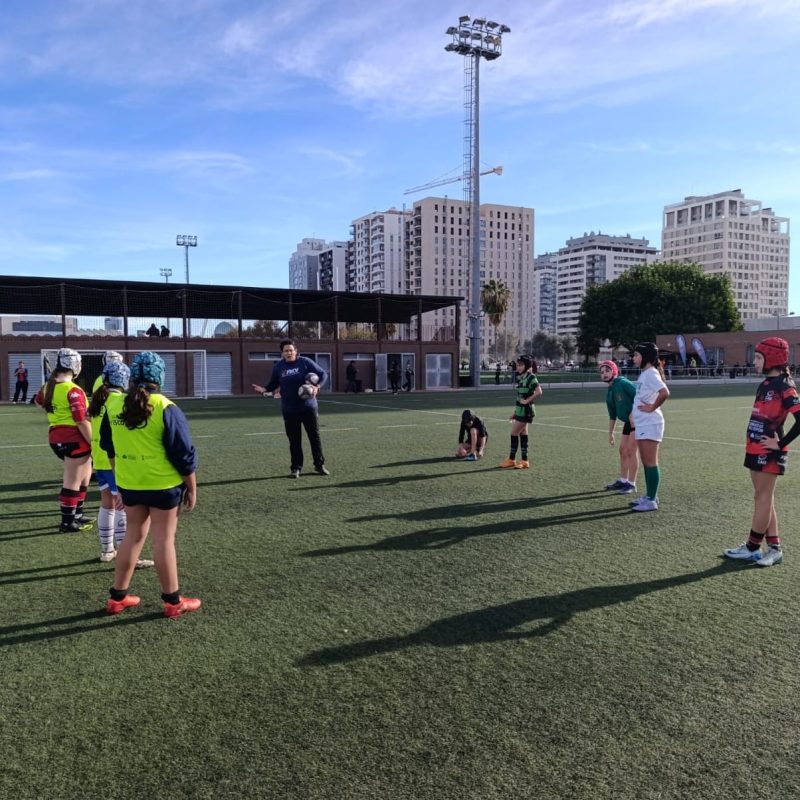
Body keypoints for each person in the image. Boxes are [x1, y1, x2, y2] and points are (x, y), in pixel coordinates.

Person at [100, 351, 200, 617]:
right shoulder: (167, 407)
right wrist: (192, 487)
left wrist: (120, 482)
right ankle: (173, 601)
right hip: (164, 486)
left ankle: (117, 598)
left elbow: (108, 448)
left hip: (130, 484)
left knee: (132, 537)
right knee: (164, 540)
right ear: (160, 376)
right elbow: (184, 455)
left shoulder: (114, 406)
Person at [724, 337, 800, 567]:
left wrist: (781, 443)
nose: (754, 361)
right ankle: (774, 548)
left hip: (770, 452)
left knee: (762, 498)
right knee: (764, 499)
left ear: (772, 358)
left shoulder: (784, 387)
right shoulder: (766, 383)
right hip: (754, 447)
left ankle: (752, 547)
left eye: (758, 357)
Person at [88, 359, 154, 568]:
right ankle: (128, 554)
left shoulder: (98, 400)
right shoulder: (120, 402)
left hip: (99, 458)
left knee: (107, 503)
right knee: (123, 508)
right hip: (116, 460)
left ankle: (107, 549)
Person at [34, 348, 95, 532]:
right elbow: (81, 421)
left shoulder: (48, 386)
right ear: (75, 366)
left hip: (56, 437)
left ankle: (77, 514)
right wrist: (94, 443)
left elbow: (38, 402)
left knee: (85, 477)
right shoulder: (74, 391)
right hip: (74, 439)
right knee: (72, 481)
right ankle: (67, 522)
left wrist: (55, 413)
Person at [251, 339, 329, 478]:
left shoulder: (305, 362)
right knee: (294, 440)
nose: (289, 353)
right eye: (286, 351)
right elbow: (272, 385)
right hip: (289, 409)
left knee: (314, 437)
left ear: (296, 351)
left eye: (291, 350)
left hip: (309, 407)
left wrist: (317, 387)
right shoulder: (278, 367)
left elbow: (323, 374)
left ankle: (319, 465)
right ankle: (296, 468)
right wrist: (264, 389)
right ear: (282, 353)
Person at [629, 342, 670, 512]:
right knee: (647, 462)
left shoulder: (651, 374)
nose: (634, 358)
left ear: (645, 357)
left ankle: (651, 500)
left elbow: (665, 392)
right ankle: (650, 495)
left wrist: (652, 407)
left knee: (650, 462)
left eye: (637, 355)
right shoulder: (645, 374)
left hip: (650, 422)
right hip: (643, 422)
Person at [600, 360, 639, 495]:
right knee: (623, 450)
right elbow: (612, 416)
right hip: (628, 423)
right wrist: (610, 433)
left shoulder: (622, 383)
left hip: (639, 420)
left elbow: (640, 395)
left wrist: (633, 413)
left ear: (614, 371)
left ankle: (632, 484)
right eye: (602, 372)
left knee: (631, 451)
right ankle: (623, 480)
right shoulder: (609, 393)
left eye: (607, 371)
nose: (604, 374)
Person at [499, 355, 542, 470]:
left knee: (514, 433)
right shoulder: (521, 378)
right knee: (523, 435)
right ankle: (524, 461)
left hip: (526, 412)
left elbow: (539, 391)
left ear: (526, 366)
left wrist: (527, 401)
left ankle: (512, 460)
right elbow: (520, 397)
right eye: (517, 365)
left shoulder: (531, 377)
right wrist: (515, 412)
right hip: (520, 411)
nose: (518, 367)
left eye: (520, 365)